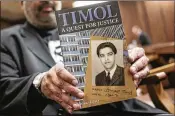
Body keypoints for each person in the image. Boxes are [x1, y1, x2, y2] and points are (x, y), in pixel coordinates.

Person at [0, 1, 170, 116]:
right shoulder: (7, 39)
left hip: (122, 109)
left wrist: (131, 67)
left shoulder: (83, 27)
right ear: (22, 3)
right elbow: (4, 90)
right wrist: (39, 84)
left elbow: (111, 73)